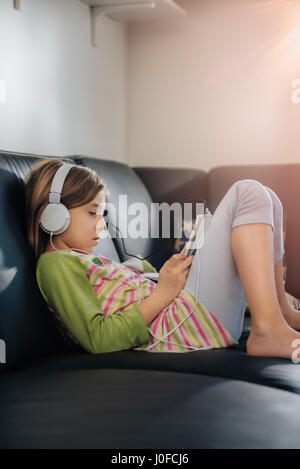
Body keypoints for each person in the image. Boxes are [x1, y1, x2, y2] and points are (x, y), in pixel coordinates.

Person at [24, 158, 300, 360]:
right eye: (92, 213)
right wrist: (163, 293)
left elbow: (130, 295)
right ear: (53, 215)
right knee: (247, 193)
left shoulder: (88, 260)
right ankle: (266, 331)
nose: (101, 225)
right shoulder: (55, 264)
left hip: (185, 311)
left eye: (103, 215)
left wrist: (161, 275)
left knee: (269, 199)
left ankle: (280, 313)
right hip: (183, 324)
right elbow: (98, 338)